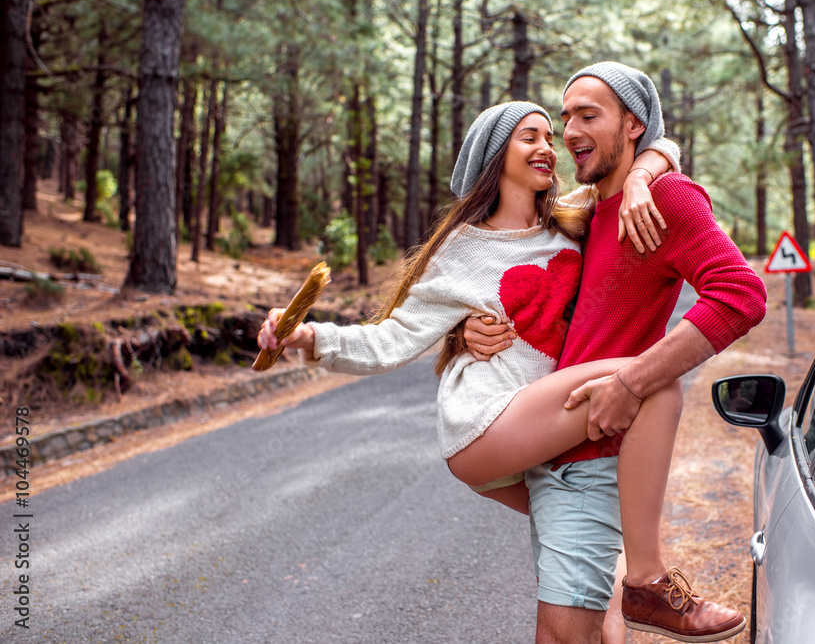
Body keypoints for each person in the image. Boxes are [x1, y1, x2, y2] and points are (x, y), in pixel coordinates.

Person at [256, 100, 700, 631]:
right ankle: (649, 582)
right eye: (528, 137)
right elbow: (390, 339)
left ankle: (628, 591)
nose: (547, 147)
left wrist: (640, 179)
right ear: (496, 154)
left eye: (548, 138)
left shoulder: (572, 222)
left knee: (592, 572)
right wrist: (308, 336)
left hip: (546, 433)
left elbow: (659, 147)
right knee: (646, 377)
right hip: (486, 425)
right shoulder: (462, 250)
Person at [462, 62, 767, 643]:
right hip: (551, 436)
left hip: (593, 454)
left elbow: (742, 293)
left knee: (563, 636)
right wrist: (464, 332)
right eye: (566, 115)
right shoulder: (585, 210)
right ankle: (642, 588)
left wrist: (632, 383)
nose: (570, 128)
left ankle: (647, 587)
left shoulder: (664, 200)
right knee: (598, 628)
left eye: (588, 114)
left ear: (631, 124)